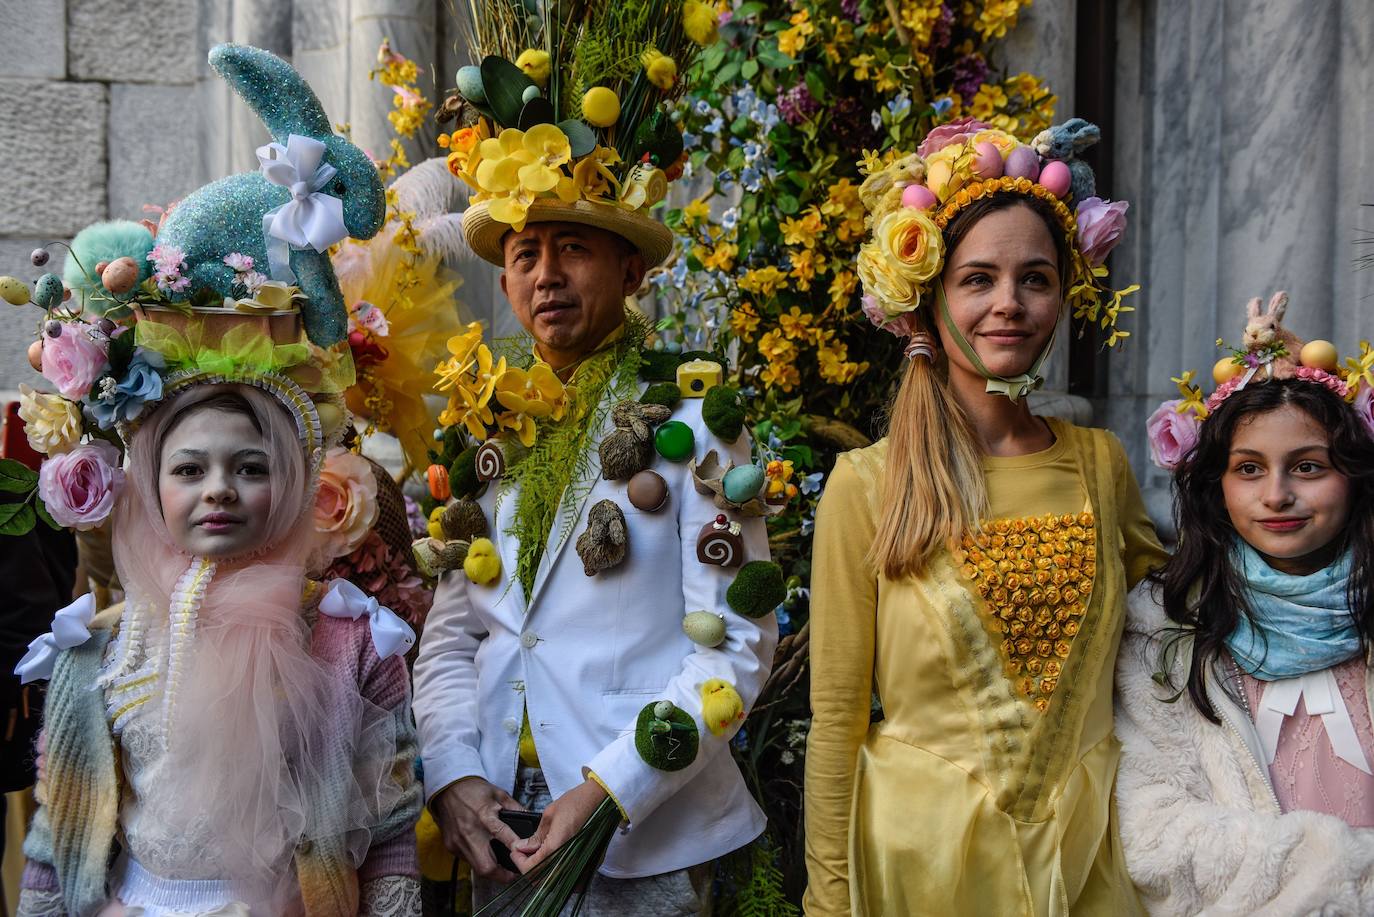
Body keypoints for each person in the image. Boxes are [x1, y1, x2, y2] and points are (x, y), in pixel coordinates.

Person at [15, 42, 422, 916]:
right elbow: (59, 839)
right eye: (189, 468)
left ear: (291, 481)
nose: (219, 490)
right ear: (148, 484)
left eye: (249, 467)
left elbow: (389, 832)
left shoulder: (350, 646)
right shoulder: (98, 651)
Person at [414, 15, 777, 913]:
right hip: (499, 819)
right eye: (526, 254)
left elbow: (735, 647)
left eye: (573, 247)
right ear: (502, 282)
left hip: (645, 827)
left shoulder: (695, 424)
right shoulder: (484, 425)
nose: (546, 275)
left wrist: (608, 790)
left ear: (630, 269)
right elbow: (455, 638)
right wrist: (455, 775)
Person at [803, 118, 1165, 915]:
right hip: (924, 863)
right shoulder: (869, 486)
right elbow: (835, 722)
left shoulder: (1101, 467)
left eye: (1035, 278)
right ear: (928, 298)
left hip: (1088, 860)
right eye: (978, 279)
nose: (1010, 303)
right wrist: (827, 902)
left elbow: (1173, 638)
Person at [1115, 296, 1374, 914]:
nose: (1277, 495)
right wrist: (1339, 874)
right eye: (1250, 469)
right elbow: (1151, 828)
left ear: (1355, 476)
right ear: (1217, 484)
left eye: (1308, 467)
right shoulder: (1165, 624)